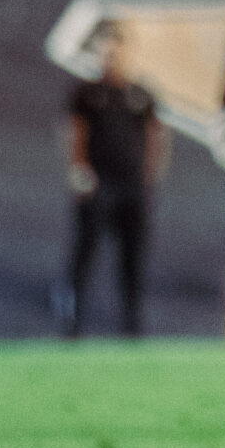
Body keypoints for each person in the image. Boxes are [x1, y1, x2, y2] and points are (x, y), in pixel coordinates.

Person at [58, 25, 168, 338]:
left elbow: (155, 138)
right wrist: (79, 170)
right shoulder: (86, 95)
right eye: (105, 52)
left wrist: (147, 177)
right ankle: (71, 325)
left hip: (131, 187)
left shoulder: (140, 96)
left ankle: (132, 330)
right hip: (97, 186)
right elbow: (74, 133)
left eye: (116, 51)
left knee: (132, 260)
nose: (111, 58)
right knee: (85, 256)